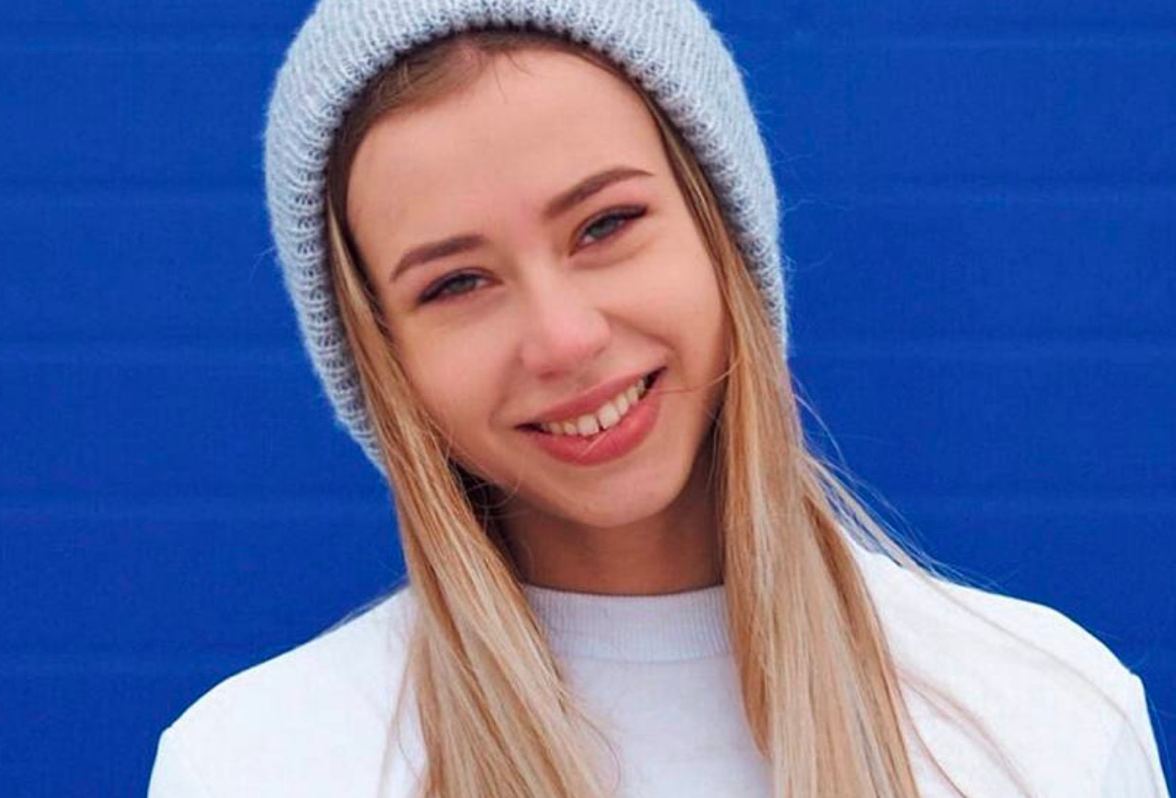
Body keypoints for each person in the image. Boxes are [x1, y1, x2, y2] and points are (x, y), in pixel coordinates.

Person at [147, 1, 1169, 796]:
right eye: (455, 283)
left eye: (605, 225)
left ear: (722, 232)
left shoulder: (1047, 721)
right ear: (383, 361)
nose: (564, 338)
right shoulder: (256, 765)